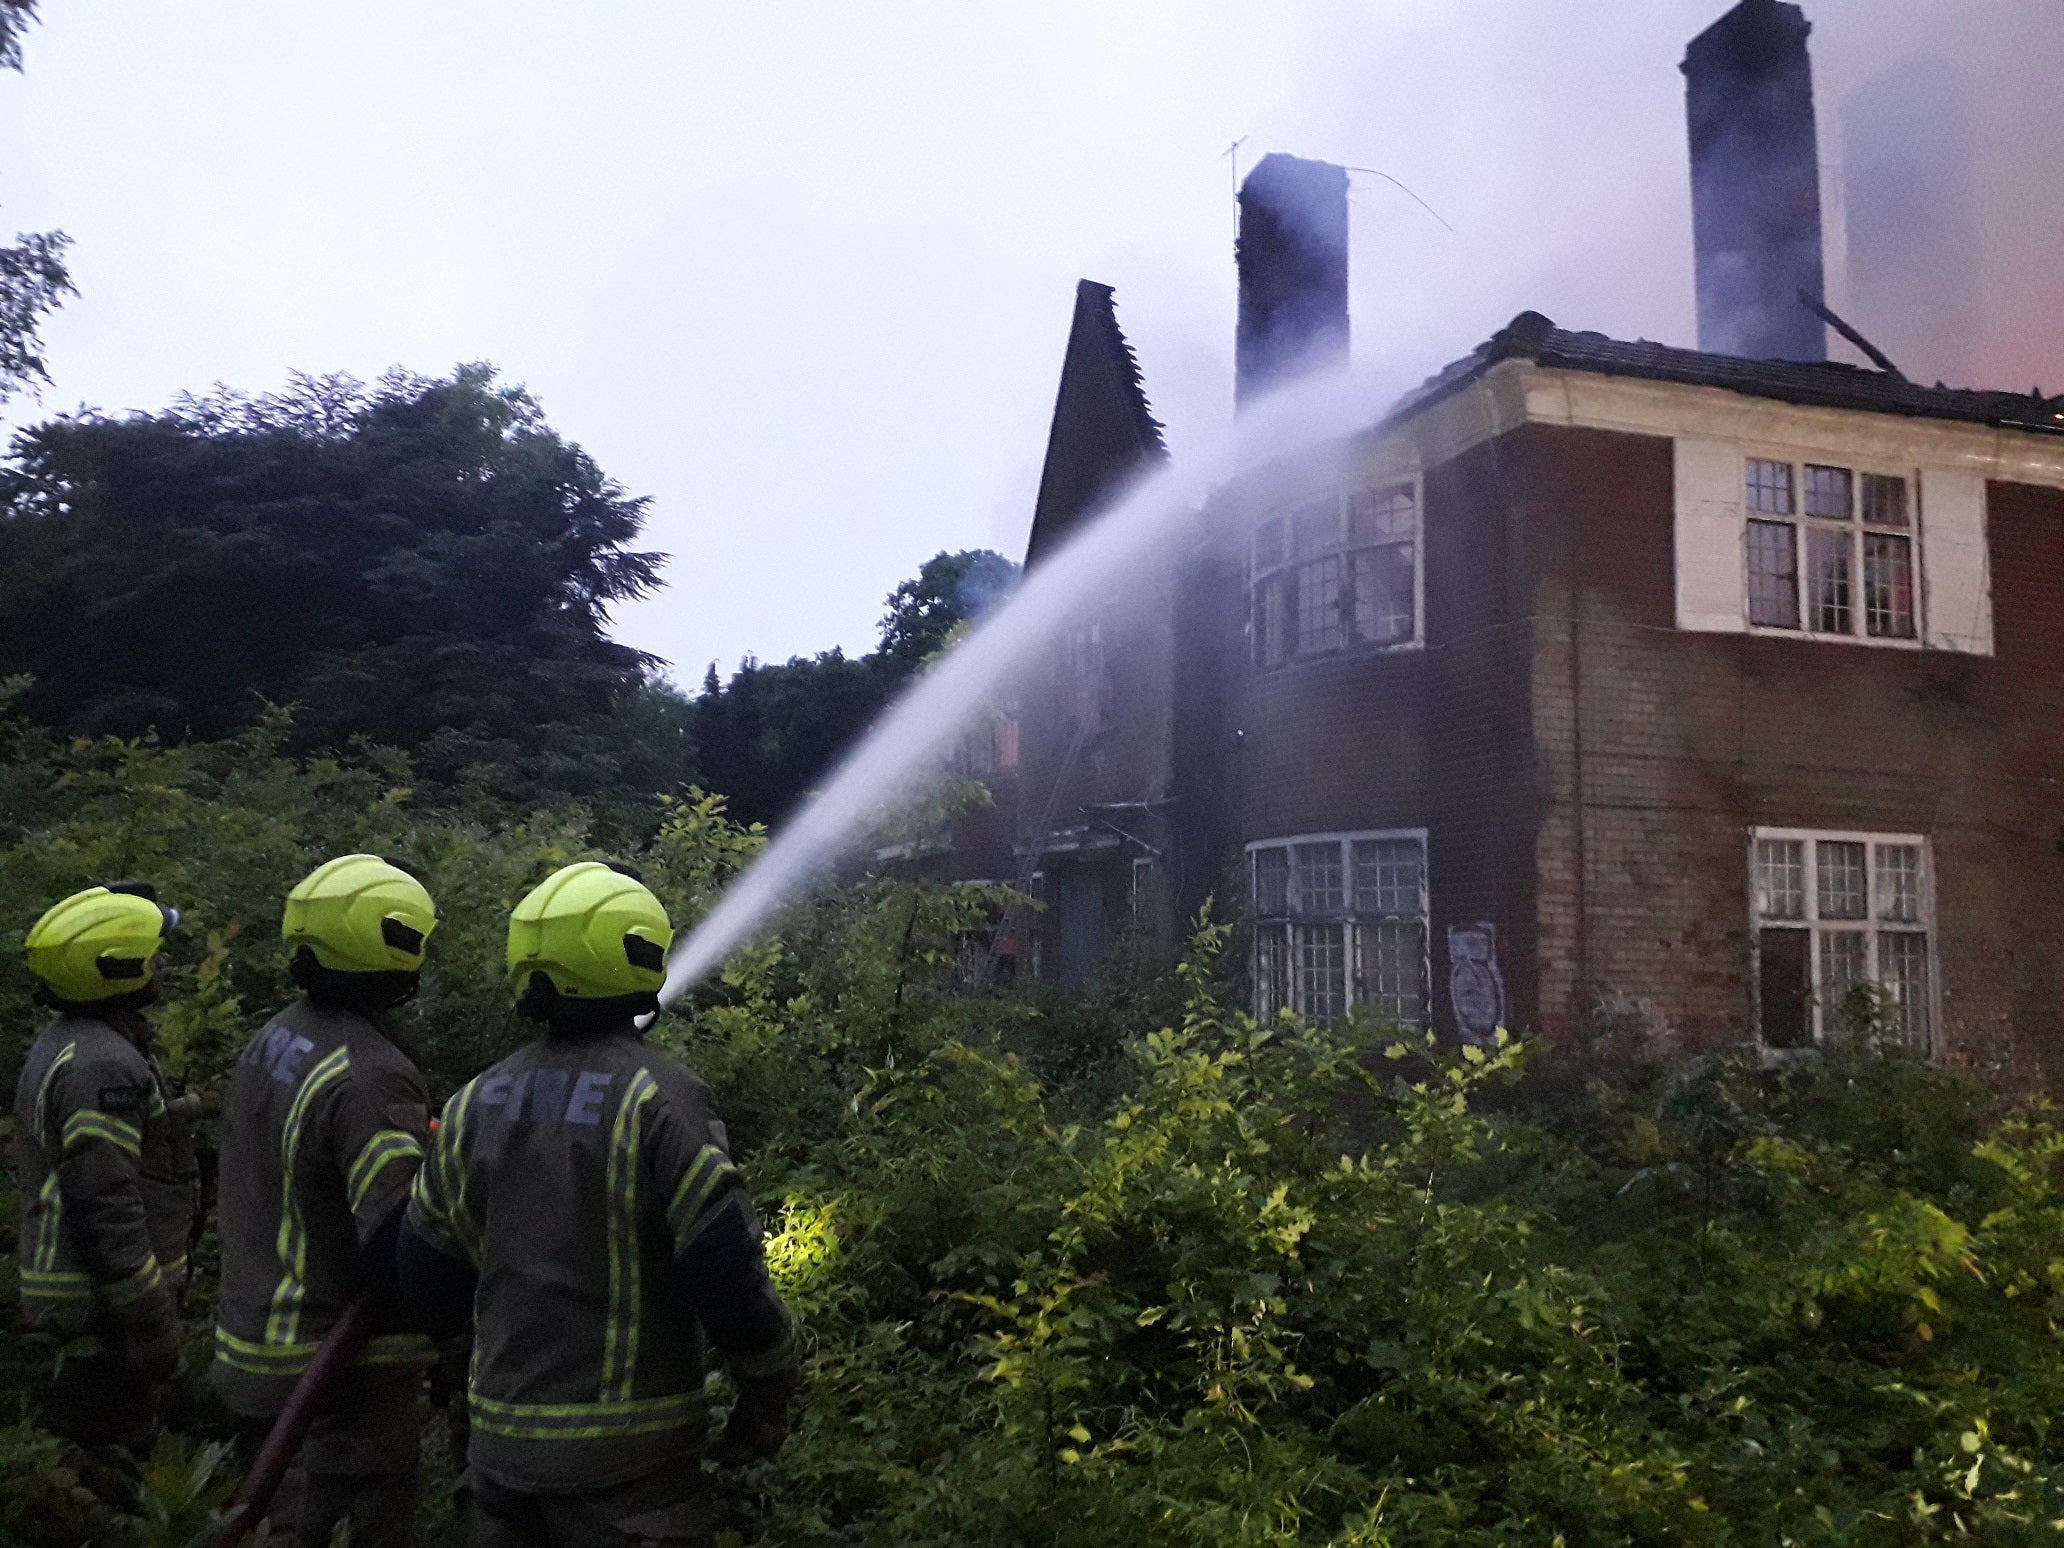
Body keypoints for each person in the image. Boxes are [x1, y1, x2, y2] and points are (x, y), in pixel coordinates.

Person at [399, 861, 798, 1548]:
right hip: (632, 1476)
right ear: (640, 957)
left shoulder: (474, 1102)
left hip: (500, 1461)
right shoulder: (662, 1100)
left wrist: (466, 1372)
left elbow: (425, 1267)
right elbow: (725, 1269)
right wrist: (770, 1388)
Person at [211, 855, 441, 1548]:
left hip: (256, 1341)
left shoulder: (279, 1035)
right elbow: (398, 1245)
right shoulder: (371, 1075)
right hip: (332, 1370)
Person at [10, 882, 197, 1452]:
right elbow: (104, 1200)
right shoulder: (104, 1065)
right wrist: (150, 1318)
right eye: (150, 953)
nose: (161, 963)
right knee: (119, 1452)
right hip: (95, 1308)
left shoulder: (72, 1043)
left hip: (83, 1301)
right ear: (115, 968)